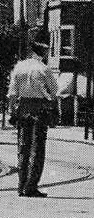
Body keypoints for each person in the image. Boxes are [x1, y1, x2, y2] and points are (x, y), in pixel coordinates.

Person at [7, 39, 58, 198]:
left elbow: (12, 93)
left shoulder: (19, 67)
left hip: (22, 108)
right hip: (39, 109)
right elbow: (54, 90)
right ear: (41, 53)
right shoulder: (44, 69)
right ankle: (31, 186)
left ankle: (21, 185)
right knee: (37, 148)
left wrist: (11, 111)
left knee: (23, 146)